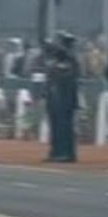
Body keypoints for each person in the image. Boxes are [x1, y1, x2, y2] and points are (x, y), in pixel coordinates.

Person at [45, 31, 80, 162]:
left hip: (64, 99)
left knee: (64, 127)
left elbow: (66, 80)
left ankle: (65, 152)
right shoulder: (58, 60)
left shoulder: (69, 60)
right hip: (55, 99)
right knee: (55, 126)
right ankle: (56, 151)